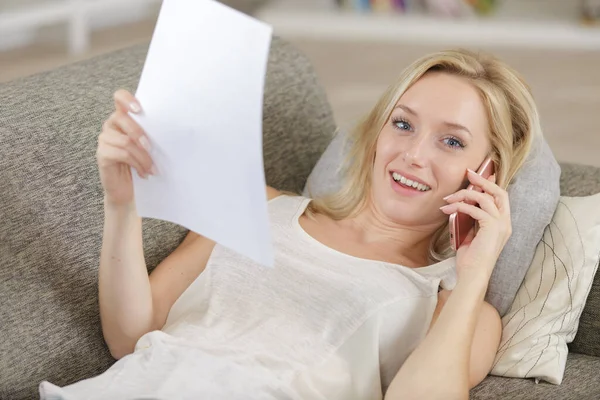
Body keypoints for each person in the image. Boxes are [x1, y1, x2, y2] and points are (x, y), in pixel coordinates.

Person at [40, 49, 539, 399]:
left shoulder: (456, 307)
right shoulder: (257, 205)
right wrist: (122, 205)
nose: (412, 155)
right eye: (403, 124)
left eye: (451, 142)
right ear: (376, 131)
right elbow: (132, 338)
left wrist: (475, 271)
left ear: (489, 173)